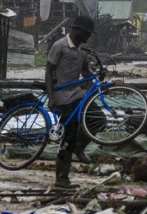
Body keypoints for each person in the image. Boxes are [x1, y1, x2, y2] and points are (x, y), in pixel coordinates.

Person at [45, 14, 100, 189]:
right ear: (78, 31)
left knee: (98, 119)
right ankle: (61, 178)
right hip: (61, 95)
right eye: (88, 33)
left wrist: (94, 78)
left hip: (77, 94)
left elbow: (85, 72)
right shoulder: (59, 46)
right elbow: (48, 71)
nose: (89, 37)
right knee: (69, 132)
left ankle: (79, 146)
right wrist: (52, 97)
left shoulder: (83, 50)